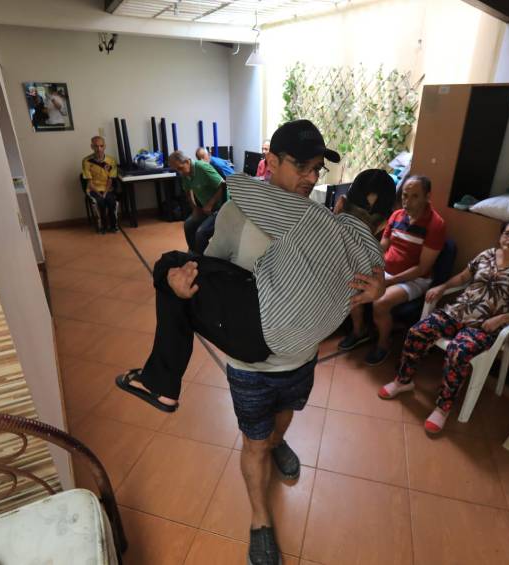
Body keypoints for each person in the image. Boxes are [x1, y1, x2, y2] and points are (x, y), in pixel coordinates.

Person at [116, 120, 392, 565]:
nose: (309, 177)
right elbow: (209, 269)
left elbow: (361, 269)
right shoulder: (236, 212)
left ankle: (275, 440)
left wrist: (377, 288)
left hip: (303, 359)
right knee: (253, 443)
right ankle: (260, 519)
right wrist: (183, 283)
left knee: (281, 422)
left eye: (317, 169)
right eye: (300, 166)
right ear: (273, 162)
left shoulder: (323, 221)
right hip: (251, 365)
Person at [378, 217, 509, 434]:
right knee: (418, 331)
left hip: (486, 325)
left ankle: (443, 406)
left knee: (459, 351)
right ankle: (403, 380)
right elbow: (464, 277)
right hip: (458, 312)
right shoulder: (487, 255)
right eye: (508, 233)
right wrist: (442, 286)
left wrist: (502, 319)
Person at [339, 175, 446, 365]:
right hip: (387, 272)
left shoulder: (436, 225)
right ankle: (359, 331)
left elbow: (422, 268)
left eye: (415, 196)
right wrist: (366, 263)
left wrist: (389, 281)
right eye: (405, 195)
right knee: (350, 286)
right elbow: (382, 247)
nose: (407, 201)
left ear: (427, 197)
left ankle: (383, 344)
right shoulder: (396, 216)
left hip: (415, 280)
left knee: (381, 302)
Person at [169, 150, 226, 254]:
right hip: (206, 208)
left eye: (180, 168)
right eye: (177, 170)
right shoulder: (185, 174)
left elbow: (223, 185)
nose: (180, 172)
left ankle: (207, 260)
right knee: (188, 225)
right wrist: (194, 208)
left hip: (221, 208)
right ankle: (195, 253)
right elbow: (187, 191)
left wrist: (210, 204)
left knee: (201, 233)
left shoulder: (202, 167)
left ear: (187, 161)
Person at [81, 136, 119, 233]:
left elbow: (110, 179)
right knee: (99, 202)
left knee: (111, 201)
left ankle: (114, 226)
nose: (99, 149)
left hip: (107, 188)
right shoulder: (86, 161)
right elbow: (89, 183)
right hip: (93, 189)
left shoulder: (111, 160)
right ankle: (102, 226)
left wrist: (105, 193)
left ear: (105, 146)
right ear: (92, 146)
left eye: (101, 146)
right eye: (96, 146)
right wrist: (99, 194)